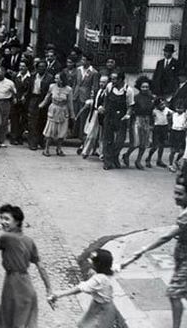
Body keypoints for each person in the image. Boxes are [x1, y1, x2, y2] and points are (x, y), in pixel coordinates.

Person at [120, 168, 187, 328]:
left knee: (174, 292)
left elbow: (166, 237)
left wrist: (142, 250)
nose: (175, 197)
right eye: (175, 192)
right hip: (182, 255)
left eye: (180, 194)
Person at [0, 204, 52, 328]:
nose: (3, 222)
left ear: (17, 222)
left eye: (7, 219)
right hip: (27, 285)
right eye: (2, 218)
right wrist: (48, 289)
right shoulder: (29, 240)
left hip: (13, 285)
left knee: (6, 321)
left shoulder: (6, 237)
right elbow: (40, 267)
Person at [49, 249, 127, 328]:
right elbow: (121, 265)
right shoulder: (109, 271)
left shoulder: (98, 279)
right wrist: (134, 258)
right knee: (85, 325)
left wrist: (59, 294)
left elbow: (79, 289)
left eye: (93, 262)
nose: (91, 264)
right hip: (102, 306)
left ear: (98, 264)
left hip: (101, 309)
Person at [102, 71, 134, 170]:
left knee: (120, 140)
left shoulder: (128, 90)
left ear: (120, 79)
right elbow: (105, 99)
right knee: (108, 139)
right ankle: (107, 162)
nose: (112, 81)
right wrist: (103, 108)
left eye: (114, 79)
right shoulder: (109, 86)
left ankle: (115, 156)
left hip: (121, 117)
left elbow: (130, 105)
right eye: (111, 79)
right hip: (109, 115)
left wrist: (128, 114)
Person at [121, 76, 154, 169]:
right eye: (143, 87)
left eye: (147, 87)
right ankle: (126, 155)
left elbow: (152, 111)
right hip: (137, 121)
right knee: (136, 142)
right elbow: (131, 109)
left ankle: (138, 161)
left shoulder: (151, 98)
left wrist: (152, 123)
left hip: (146, 121)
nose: (145, 89)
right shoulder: (135, 97)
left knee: (144, 144)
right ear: (139, 87)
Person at [39, 71, 75, 156]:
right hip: (53, 110)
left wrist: (72, 115)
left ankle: (59, 149)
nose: (55, 80)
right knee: (50, 131)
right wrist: (41, 105)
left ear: (62, 80)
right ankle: (46, 149)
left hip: (63, 111)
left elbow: (70, 103)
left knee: (62, 131)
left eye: (57, 78)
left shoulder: (68, 89)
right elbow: (47, 97)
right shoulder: (52, 86)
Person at [27, 59, 55, 150]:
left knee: (42, 121)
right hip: (33, 98)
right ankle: (32, 142)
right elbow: (29, 89)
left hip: (44, 99)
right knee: (32, 122)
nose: (41, 69)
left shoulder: (50, 78)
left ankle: (40, 140)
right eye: (39, 67)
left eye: (43, 67)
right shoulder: (33, 76)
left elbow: (50, 92)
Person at [81, 76, 108, 159]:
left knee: (102, 135)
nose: (101, 84)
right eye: (100, 82)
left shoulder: (108, 92)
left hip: (103, 115)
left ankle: (101, 153)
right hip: (95, 114)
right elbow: (94, 103)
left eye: (103, 82)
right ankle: (86, 151)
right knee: (91, 133)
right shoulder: (98, 91)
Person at [73, 54, 99, 139]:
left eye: (84, 60)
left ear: (89, 61)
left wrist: (92, 98)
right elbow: (75, 83)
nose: (82, 62)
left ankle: (81, 134)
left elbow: (95, 87)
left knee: (83, 115)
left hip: (86, 95)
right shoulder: (78, 70)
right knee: (75, 113)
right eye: (82, 60)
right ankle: (74, 132)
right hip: (76, 94)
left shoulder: (94, 72)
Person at [0, 66, 17, 148]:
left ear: (3, 73)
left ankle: (1, 140)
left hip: (5, 103)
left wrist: (14, 98)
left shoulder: (10, 83)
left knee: (4, 122)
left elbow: (14, 92)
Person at [145, 97, 172, 168]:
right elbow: (151, 120)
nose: (163, 106)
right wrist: (151, 126)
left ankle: (159, 160)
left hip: (164, 127)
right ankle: (148, 159)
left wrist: (170, 117)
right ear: (157, 106)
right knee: (155, 146)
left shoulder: (167, 110)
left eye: (163, 104)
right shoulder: (154, 111)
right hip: (157, 128)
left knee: (162, 144)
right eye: (161, 105)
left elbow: (172, 114)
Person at [10, 60, 31, 145]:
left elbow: (30, 89)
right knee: (14, 119)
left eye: (23, 66)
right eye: (20, 66)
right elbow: (12, 87)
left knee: (23, 119)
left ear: (27, 67)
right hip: (16, 100)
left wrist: (25, 96)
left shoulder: (30, 77)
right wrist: (14, 97)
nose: (21, 68)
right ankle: (13, 137)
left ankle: (19, 136)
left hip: (25, 101)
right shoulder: (15, 76)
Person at [169, 102, 187, 172]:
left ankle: (176, 161)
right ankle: (170, 165)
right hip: (174, 132)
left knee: (182, 151)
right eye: (178, 108)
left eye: (181, 108)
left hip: (181, 132)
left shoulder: (185, 115)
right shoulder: (173, 114)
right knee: (172, 150)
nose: (179, 110)